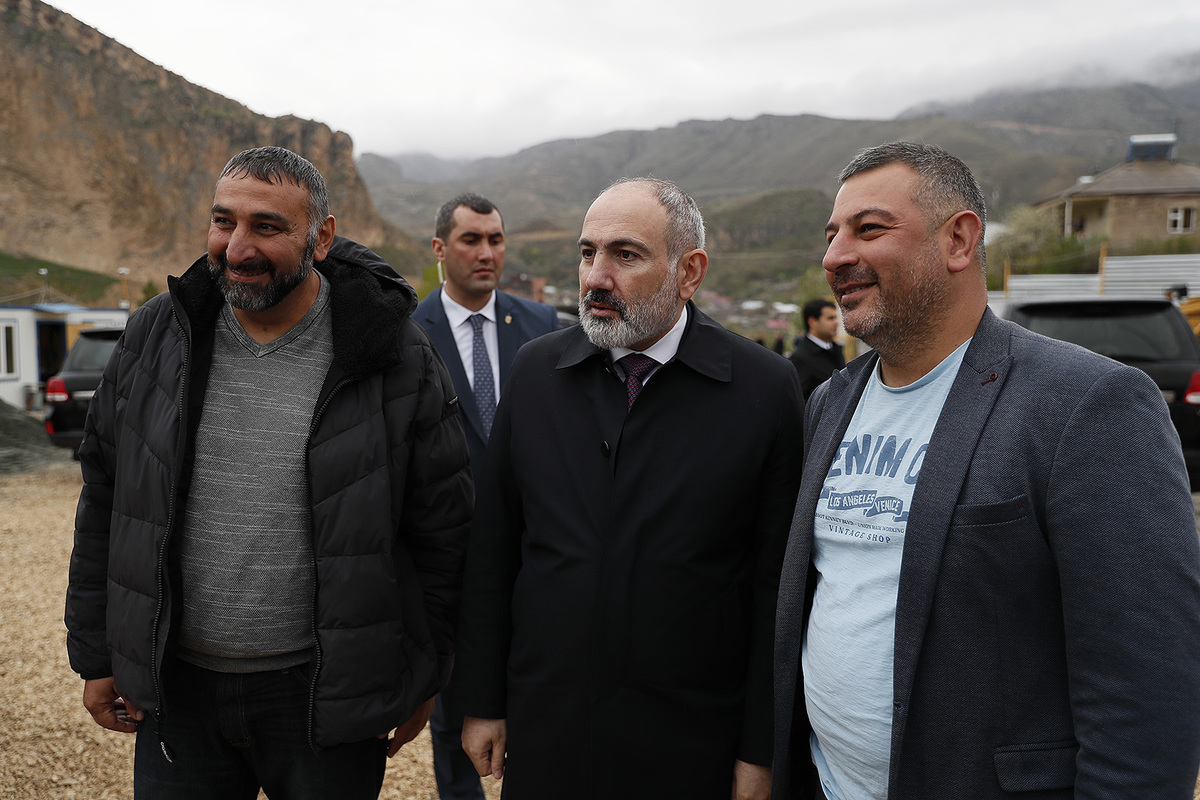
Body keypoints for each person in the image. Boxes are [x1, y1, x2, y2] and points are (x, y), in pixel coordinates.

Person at [772, 141, 1200, 799]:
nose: (834, 257)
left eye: (869, 229)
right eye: (832, 236)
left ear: (959, 240)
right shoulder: (831, 401)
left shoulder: (1087, 403)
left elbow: (1148, 689)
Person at [64, 146, 473, 799]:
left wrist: (423, 675)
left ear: (322, 237)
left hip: (321, 702)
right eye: (223, 221)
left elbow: (442, 528)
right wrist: (96, 653)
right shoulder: (155, 335)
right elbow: (106, 501)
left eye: (267, 227)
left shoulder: (392, 351)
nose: (236, 248)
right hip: (179, 694)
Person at [454, 177, 805, 800]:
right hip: (549, 727)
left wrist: (761, 749)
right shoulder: (536, 374)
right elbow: (494, 551)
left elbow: (774, 588)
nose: (596, 277)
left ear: (689, 272)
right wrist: (483, 700)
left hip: (690, 740)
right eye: (588, 253)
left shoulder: (764, 389)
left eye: (626, 255)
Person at [411, 193, 558, 800]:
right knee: (455, 718)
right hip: (448, 558)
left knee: (541, 706)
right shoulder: (406, 332)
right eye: (471, 240)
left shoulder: (543, 326)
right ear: (440, 248)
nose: (487, 252)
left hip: (531, 553)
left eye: (495, 239)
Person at [788, 298, 845, 399]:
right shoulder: (800, 358)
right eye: (830, 318)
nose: (836, 323)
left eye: (836, 318)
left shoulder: (836, 349)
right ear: (812, 322)